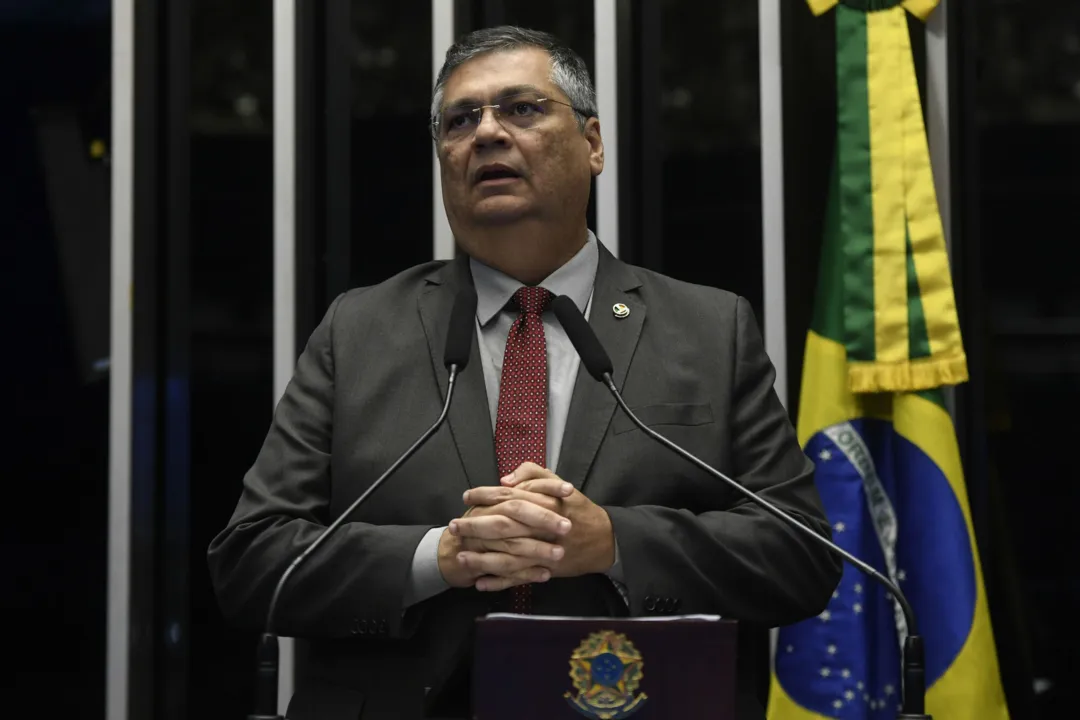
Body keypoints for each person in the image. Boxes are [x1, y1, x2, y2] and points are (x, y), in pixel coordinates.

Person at [208, 25, 842, 720]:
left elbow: (800, 556)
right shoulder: (358, 331)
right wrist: (440, 555)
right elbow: (251, 561)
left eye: (521, 109)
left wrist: (614, 542)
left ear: (593, 144)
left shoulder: (709, 329)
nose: (485, 133)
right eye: (460, 119)